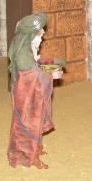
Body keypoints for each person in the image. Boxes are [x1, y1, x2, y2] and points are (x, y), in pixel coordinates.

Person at [7, 13, 65, 169]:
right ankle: (27, 156)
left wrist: (49, 63)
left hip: (30, 92)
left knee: (36, 120)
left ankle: (35, 149)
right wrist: (51, 75)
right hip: (25, 94)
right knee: (27, 123)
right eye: (40, 31)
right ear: (31, 33)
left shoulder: (28, 46)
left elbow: (34, 63)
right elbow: (29, 75)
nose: (43, 33)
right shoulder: (22, 52)